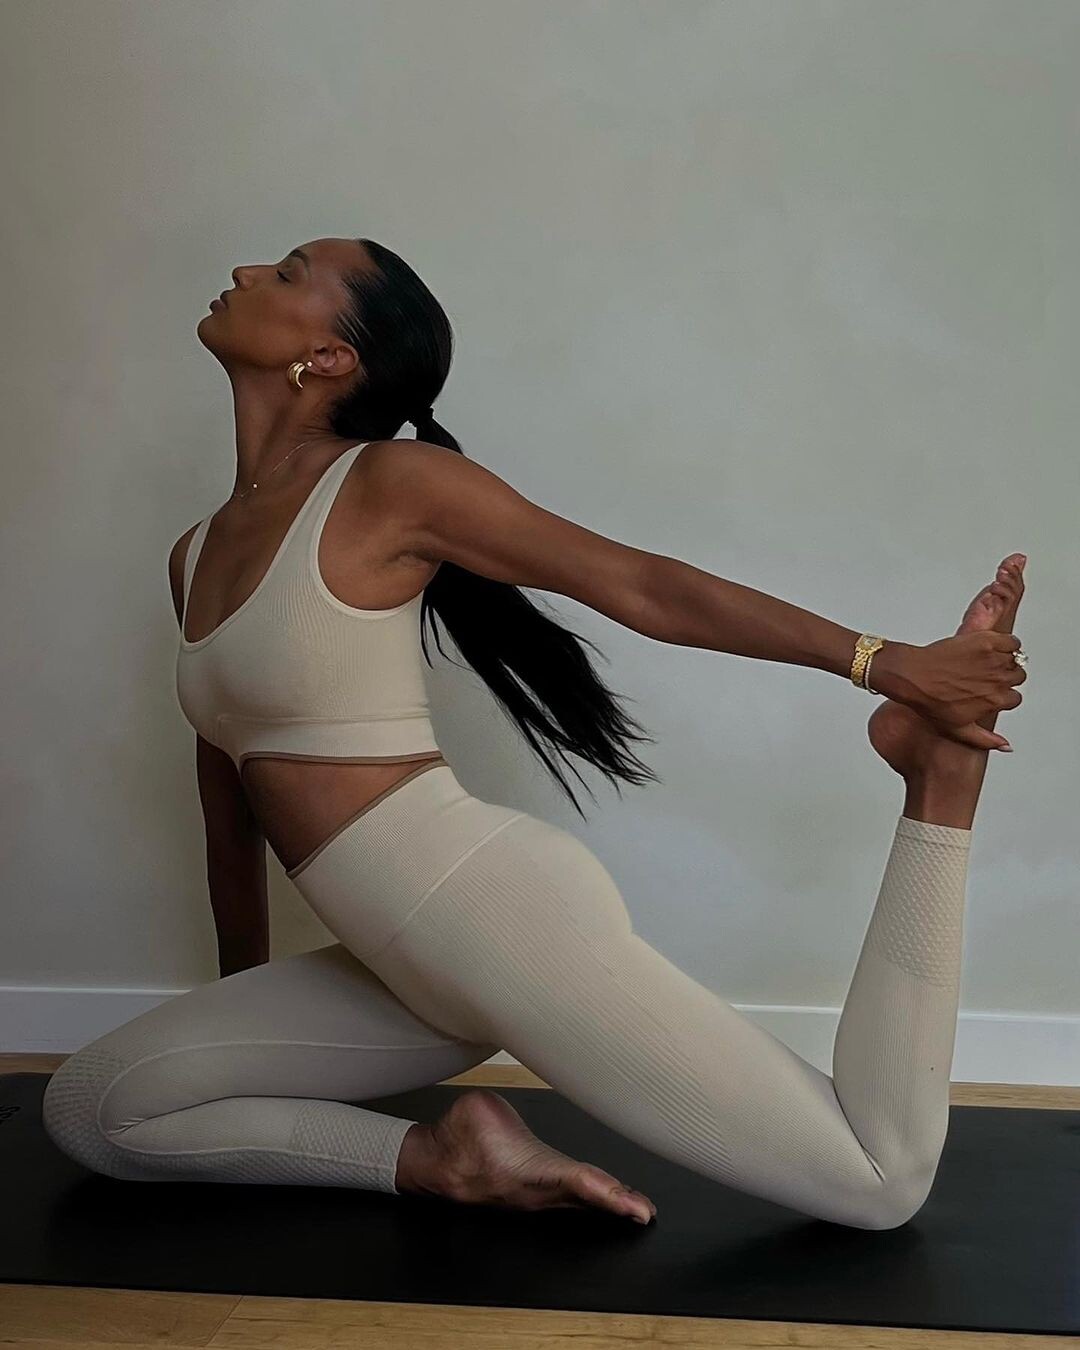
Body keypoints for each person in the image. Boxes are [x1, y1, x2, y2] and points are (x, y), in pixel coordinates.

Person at [42, 237, 1028, 1230]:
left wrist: (881, 662)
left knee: (879, 1181)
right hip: (398, 968)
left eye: (288, 272)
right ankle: (449, 1160)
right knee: (94, 1109)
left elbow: (639, 584)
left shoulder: (390, 484)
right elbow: (228, 805)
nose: (248, 272)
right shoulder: (195, 553)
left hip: (486, 916)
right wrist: (238, 1012)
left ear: (332, 356)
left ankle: (938, 775)